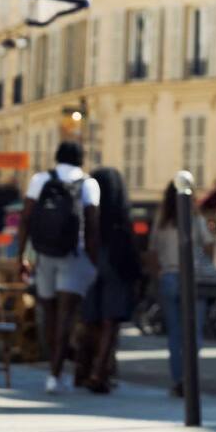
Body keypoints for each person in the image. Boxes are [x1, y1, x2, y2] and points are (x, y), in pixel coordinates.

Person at [17, 140, 100, 394]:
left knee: (49, 314)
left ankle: (54, 371)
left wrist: (21, 256)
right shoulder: (88, 184)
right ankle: (56, 373)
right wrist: (94, 261)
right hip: (73, 255)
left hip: (44, 254)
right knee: (66, 316)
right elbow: (93, 224)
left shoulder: (40, 179)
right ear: (81, 158)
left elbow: (25, 219)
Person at [75, 167, 142, 393]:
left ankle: (83, 369)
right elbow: (131, 251)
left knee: (90, 319)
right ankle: (100, 371)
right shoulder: (120, 219)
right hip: (114, 262)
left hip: (89, 262)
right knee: (109, 321)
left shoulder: (89, 212)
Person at [148, 180, 213, 397]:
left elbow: (152, 252)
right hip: (193, 277)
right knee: (194, 332)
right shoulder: (195, 219)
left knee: (175, 334)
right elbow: (209, 245)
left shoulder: (162, 221)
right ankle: (189, 378)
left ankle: (179, 380)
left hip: (169, 276)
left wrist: (159, 275)